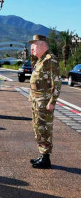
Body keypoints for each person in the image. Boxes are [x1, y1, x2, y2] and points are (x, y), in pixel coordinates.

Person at [28, 35, 61, 169]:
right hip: (37, 101)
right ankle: (42, 155)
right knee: (38, 128)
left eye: (34, 46)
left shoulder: (50, 60)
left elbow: (57, 83)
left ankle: (46, 159)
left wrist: (52, 101)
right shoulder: (40, 60)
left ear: (42, 45)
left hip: (44, 101)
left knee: (45, 129)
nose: (32, 49)